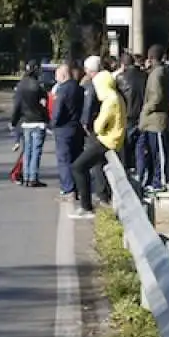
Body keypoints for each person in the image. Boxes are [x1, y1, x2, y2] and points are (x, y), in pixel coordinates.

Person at [71, 70, 126, 219]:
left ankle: (86, 206)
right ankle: (96, 200)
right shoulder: (118, 97)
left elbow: (99, 126)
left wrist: (95, 123)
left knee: (78, 167)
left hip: (106, 140)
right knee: (97, 170)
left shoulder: (110, 100)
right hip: (114, 140)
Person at [10, 60, 49, 187]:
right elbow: (44, 104)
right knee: (36, 150)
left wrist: (14, 121)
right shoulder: (38, 86)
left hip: (26, 121)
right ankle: (33, 177)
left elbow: (17, 106)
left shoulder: (21, 85)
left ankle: (26, 177)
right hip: (38, 121)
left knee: (27, 150)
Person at [139, 44, 169, 191]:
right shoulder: (157, 72)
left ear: (150, 58)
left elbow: (157, 97)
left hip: (156, 120)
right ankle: (154, 180)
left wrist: (146, 109)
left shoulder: (157, 74)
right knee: (153, 153)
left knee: (159, 154)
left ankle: (160, 181)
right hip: (152, 121)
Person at [51, 64, 84, 200]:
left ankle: (68, 189)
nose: (56, 78)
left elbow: (58, 110)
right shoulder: (79, 88)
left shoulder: (62, 90)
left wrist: (52, 124)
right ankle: (77, 187)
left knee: (64, 160)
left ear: (63, 75)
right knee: (76, 159)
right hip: (77, 127)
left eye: (57, 75)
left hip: (64, 129)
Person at [81, 55, 110, 203]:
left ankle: (102, 193)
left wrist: (85, 123)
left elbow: (88, 105)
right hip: (106, 125)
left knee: (96, 162)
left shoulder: (93, 85)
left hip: (95, 127)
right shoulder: (107, 80)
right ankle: (105, 191)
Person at [115, 52, 147, 175]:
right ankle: (141, 175)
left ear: (123, 64)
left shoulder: (120, 78)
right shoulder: (144, 76)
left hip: (127, 116)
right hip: (142, 115)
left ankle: (125, 174)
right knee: (140, 149)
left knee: (125, 149)